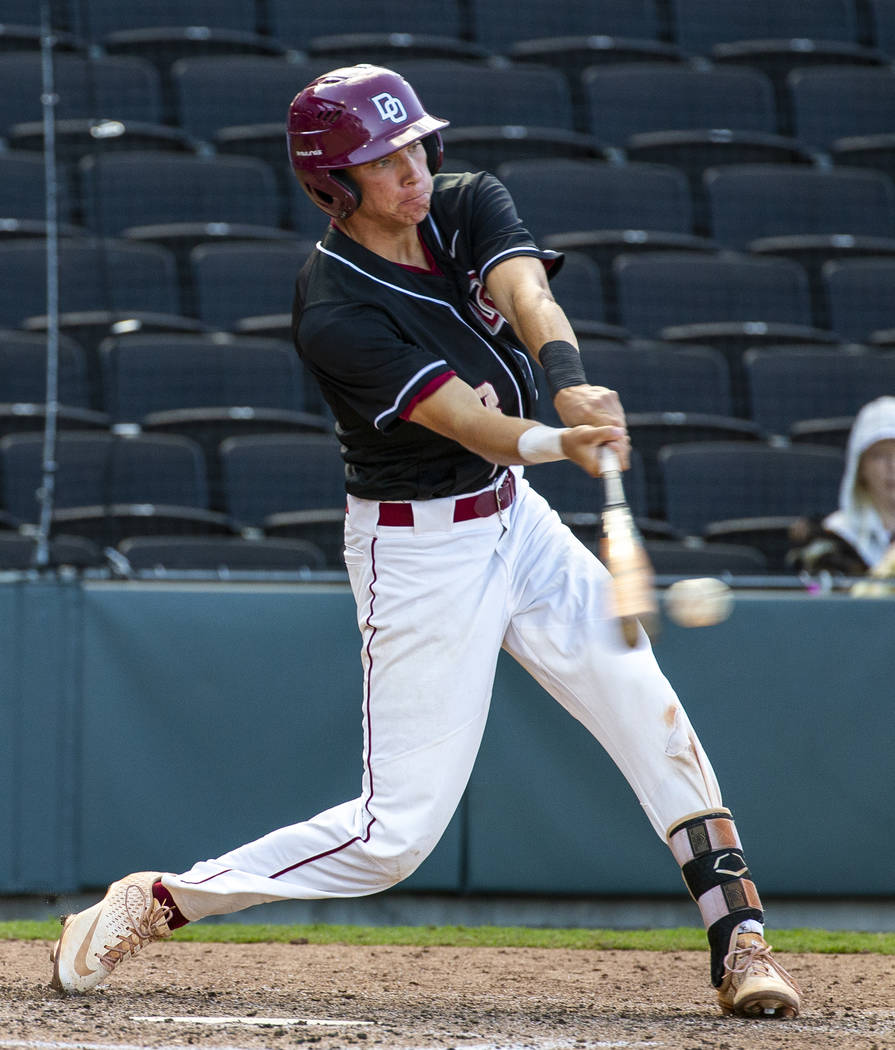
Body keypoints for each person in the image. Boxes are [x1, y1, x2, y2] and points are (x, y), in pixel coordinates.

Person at [49, 64, 800, 1019]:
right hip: (418, 553)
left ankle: (740, 941)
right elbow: (468, 424)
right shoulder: (334, 306)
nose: (410, 171)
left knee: (644, 704)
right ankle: (159, 900)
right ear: (333, 185)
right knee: (392, 838)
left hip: (515, 517)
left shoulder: (464, 201)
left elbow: (527, 296)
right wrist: (557, 441)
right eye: (381, 160)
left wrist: (566, 379)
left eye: (413, 147)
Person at [788, 396, 895, 584]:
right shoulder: (832, 538)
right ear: (860, 467)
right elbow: (818, 595)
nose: (892, 466)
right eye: (879, 456)